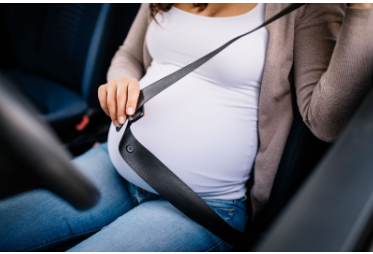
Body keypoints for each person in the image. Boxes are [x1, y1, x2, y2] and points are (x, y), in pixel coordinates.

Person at [1, 3, 373, 252]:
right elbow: (127, 57)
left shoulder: (298, 10)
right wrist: (119, 82)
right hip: (115, 163)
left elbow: (325, 121)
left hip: (197, 205)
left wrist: (362, 11)